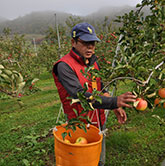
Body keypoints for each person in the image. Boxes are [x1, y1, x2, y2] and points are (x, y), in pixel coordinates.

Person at [52, 22, 136, 165]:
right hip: (79, 125)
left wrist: (115, 107)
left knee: (98, 160)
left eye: (93, 43)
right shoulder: (64, 66)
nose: (90, 47)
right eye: (85, 43)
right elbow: (79, 95)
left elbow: (100, 88)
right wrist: (114, 102)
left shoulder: (92, 63)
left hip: (98, 122)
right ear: (73, 42)